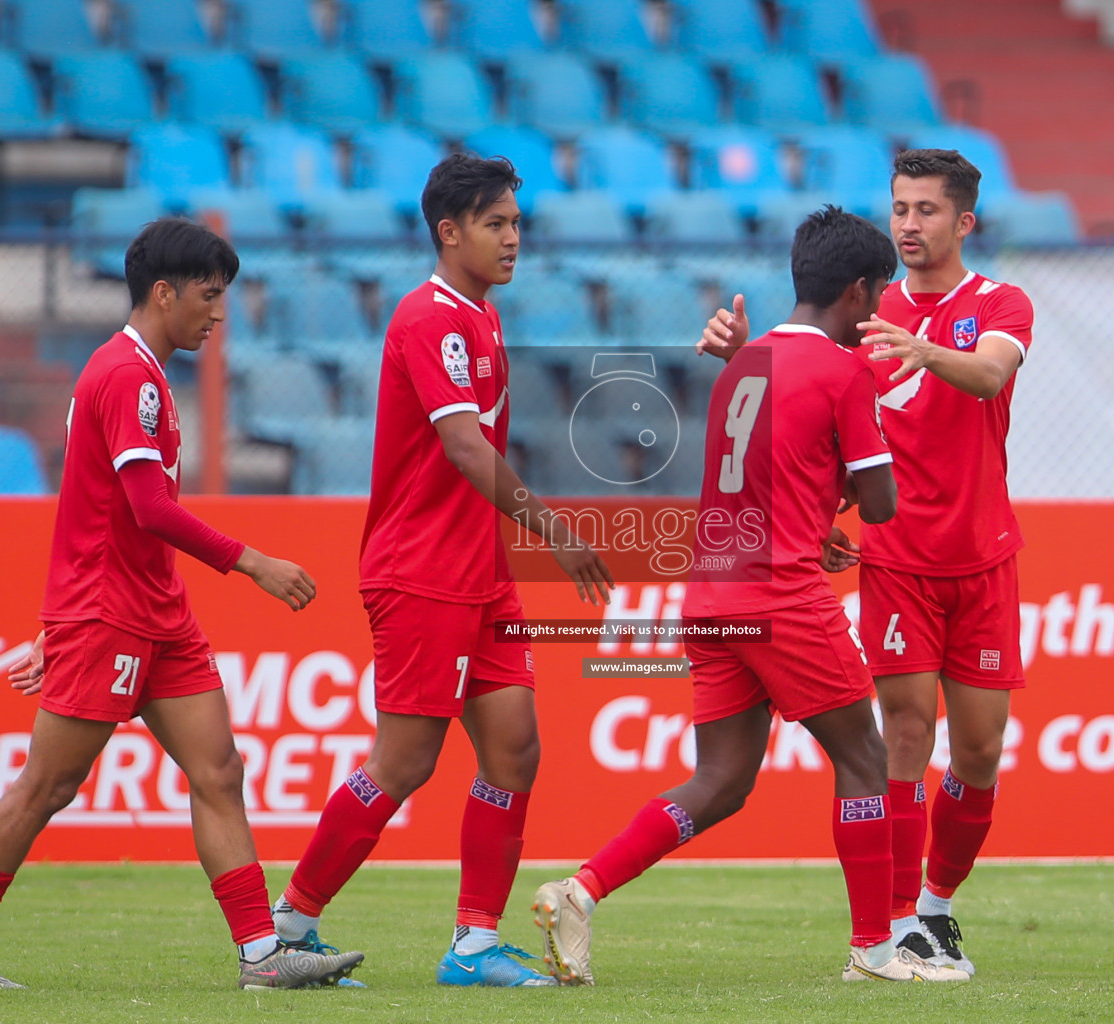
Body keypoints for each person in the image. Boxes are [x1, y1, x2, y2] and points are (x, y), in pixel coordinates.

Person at [0, 218, 365, 991]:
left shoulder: (142, 374)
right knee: (47, 785)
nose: (219, 314)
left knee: (218, 769)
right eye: (210, 296)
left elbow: (95, 511)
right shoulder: (127, 376)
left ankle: (263, 955)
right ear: (166, 293)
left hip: (157, 612)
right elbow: (148, 508)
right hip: (112, 615)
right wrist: (251, 561)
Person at [531, 207, 968, 987]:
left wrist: (810, 515)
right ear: (860, 292)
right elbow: (883, 504)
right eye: (877, 301)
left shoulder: (745, 362)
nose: (877, 316)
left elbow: (769, 471)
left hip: (710, 592)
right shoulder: (845, 373)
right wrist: (840, 501)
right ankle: (874, 949)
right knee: (866, 758)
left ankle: (580, 890)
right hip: (781, 594)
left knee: (722, 782)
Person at [269, 154, 615, 988]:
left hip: (480, 573)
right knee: (406, 761)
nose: (512, 239)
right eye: (496, 224)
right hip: (421, 570)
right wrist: (555, 531)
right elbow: (465, 446)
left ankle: (471, 946)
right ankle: (292, 922)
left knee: (515, 749)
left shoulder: (483, 318)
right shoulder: (431, 318)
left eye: (517, 224)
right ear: (448, 231)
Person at [698, 150, 1034, 977]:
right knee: (906, 736)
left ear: (965, 222)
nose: (910, 224)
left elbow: (992, 376)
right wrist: (744, 353)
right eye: (900, 209)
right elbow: (796, 406)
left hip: (984, 556)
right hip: (893, 560)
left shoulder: (998, 304)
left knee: (981, 752)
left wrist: (925, 355)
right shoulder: (855, 318)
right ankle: (892, 929)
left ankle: (937, 907)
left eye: (927, 210)